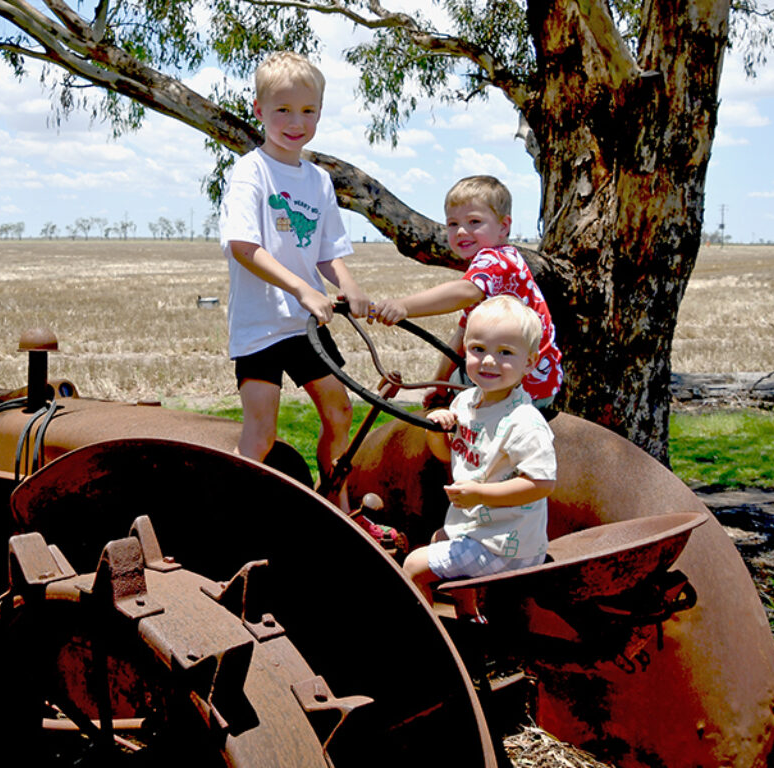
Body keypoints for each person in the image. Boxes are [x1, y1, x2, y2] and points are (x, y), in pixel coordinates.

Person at [219, 51, 370, 505]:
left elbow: (328, 252)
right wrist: (303, 289)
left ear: (320, 113)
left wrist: (349, 286)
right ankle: (233, 512)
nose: (295, 121)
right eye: (282, 109)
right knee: (262, 433)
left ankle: (336, 506)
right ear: (258, 109)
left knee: (340, 412)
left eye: (307, 111)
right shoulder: (250, 172)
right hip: (262, 325)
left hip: (306, 327)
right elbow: (244, 247)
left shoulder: (319, 180)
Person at [402, 295, 557, 617]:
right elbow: (446, 455)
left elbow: (541, 485)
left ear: (529, 362)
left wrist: (479, 494)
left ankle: (429, 638)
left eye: (505, 353)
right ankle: (469, 616)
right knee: (438, 537)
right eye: (478, 349)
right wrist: (436, 429)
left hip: (507, 543)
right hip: (476, 527)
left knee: (414, 565)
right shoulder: (466, 403)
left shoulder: (524, 422)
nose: (488, 361)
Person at [370, 175, 562, 408]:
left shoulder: (497, 260)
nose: (461, 231)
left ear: (503, 226)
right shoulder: (492, 269)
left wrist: (404, 306)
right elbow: (462, 335)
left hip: (519, 382)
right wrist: (439, 384)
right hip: (526, 377)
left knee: (457, 428)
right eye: (453, 224)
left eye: (474, 222)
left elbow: (466, 290)